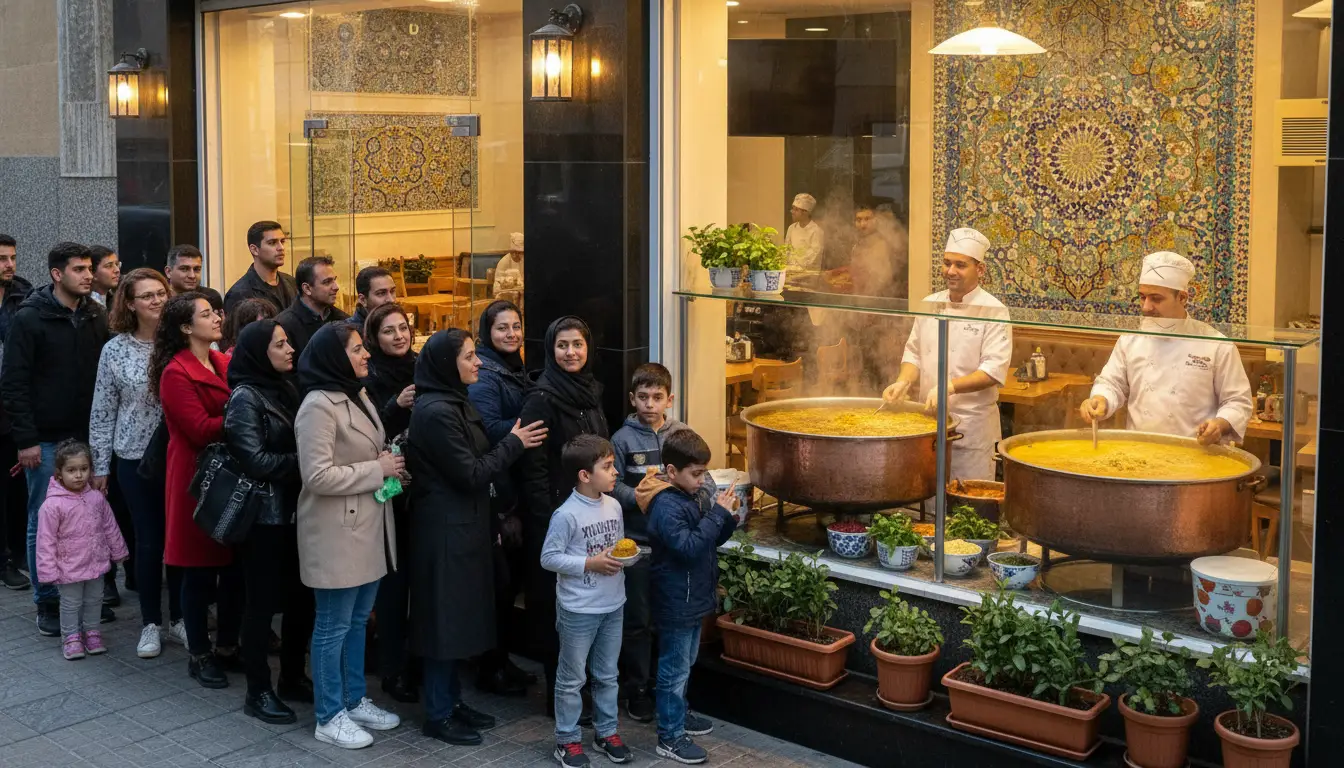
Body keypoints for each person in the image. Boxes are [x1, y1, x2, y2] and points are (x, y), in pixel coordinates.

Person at [406, 329, 545, 746]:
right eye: (469, 357)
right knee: (443, 622)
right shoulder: (435, 412)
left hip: (463, 529)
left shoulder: (451, 402)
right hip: (444, 533)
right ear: (449, 364)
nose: (478, 362)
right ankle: (437, 711)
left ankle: (450, 702)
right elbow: (470, 472)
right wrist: (515, 442)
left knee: (457, 619)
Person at [295, 323, 404, 750]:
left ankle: (354, 698)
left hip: (367, 525)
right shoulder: (317, 406)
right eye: (357, 349)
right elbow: (316, 475)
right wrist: (377, 469)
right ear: (335, 357)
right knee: (332, 625)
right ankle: (328, 714)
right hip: (337, 531)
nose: (366, 355)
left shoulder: (356, 394)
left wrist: (385, 461)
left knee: (358, 620)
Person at [0, 241, 111, 636]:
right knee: (43, 519)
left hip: (87, 436)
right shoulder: (29, 318)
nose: (87, 275)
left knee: (87, 517)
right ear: (56, 274)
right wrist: (26, 440)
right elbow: (13, 382)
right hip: (44, 440)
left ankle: (83, 596)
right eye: (79, 269)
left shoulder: (96, 315)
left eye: (88, 269)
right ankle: (46, 600)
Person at [90, 269, 184, 657]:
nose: (157, 301)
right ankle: (150, 622)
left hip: (180, 454)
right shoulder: (115, 349)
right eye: (147, 295)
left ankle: (180, 618)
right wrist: (99, 466)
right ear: (129, 303)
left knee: (180, 539)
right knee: (148, 541)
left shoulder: (182, 342)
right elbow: (102, 411)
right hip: (132, 456)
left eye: (161, 293)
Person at [152, 292, 244, 687]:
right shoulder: (175, 372)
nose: (217, 318)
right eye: (206, 315)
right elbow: (197, 428)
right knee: (198, 571)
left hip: (229, 474)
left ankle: (227, 646)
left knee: (232, 568)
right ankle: (199, 653)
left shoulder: (222, 360)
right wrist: (242, 417)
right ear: (187, 327)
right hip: (195, 479)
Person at [225, 320, 314, 724]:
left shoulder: (287, 387)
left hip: (296, 510)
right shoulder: (245, 397)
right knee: (261, 605)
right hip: (265, 516)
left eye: (288, 342)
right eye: (280, 344)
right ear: (260, 352)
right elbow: (254, 460)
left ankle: (292, 677)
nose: (290, 349)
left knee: (301, 598)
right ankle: (257, 690)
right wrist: (309, 465)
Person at [518, 316, 610, 711]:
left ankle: (584, 690)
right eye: (562, 345)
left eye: (577, 344)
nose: (570, 352)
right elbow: (533, 468)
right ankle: (563, 698)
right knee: (559, 614)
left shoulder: (590, 391)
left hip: (591, 515)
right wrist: (550, 520)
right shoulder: (542, 397)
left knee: (586, 609)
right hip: (559, 519)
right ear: (550, 350)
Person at [1080, 251, 1254, 444]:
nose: (1146, 307)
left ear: (1182, 298)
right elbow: (1112, 384)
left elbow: (1238, 402)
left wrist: (1220, 424)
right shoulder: (1130, 340)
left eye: (1156, 298)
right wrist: (1101, 399)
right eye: (1142, 297)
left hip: (1195, 457)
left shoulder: (1216, 345)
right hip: (1139, 452)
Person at [882, 228, 1011, 481]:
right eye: (947, 263)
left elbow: (993, 370)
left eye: (960, 265)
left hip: (971, 430)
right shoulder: (930, 303)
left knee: (967, 510)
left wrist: (949, 387)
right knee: (928, 506)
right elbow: (914, 353)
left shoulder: (995, 311)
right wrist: (903, 381)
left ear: (980, 270)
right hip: (928, 427)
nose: (950, 271)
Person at [644, 429, 741, 765]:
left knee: (685, 663)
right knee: (673, 669)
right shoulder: (666, 506)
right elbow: (687, 548)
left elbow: (710, 540)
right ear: (672, 472)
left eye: (704, 473)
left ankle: (680, 716)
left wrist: (727, 517)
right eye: (697, 474)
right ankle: (669, 736)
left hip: (693, 596)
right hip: (676, 600)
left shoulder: (694, 497)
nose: (703, 480)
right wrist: (716, 515)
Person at [542, 434, 632, 767]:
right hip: (578, 609)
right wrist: (589, 564)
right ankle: (566, 740)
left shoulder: (614, 505)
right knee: (572, 678)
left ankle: (606, 732)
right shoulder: (566, 515)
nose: (615, 473)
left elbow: (617, 545)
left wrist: (626, 556)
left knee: (608, 674)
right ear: (584, 475)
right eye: (607, 467)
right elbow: (549, 558)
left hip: (613, 604)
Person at [609, 362, 688, 723]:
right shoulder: (622, 439)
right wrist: (638, 497)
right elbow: (612, 483)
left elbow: (695, 477)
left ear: (669, 399)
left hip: (671, 544)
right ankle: (636, 688)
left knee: (666, 616)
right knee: (637, 619)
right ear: (632, 398)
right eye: (643, 397)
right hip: (636, 543)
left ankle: (663, 685)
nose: (650, 404)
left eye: (657, 397)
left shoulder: (680, 435)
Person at [466, 300, 536, 695]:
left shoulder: (515, 367)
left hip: (515, 487)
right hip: (498, 494)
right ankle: (489, 667)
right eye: (502, 328)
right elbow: (487, 429)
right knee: (498, 586)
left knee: (509, 587)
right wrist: (526, 428)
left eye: (516, 326)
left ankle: (500, 661)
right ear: (487, 333)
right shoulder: (486, 374)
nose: (511, 334)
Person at [360, 302, 418, 702]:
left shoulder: (422, 365)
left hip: (422, 485)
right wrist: (396, 405)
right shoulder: (369, 375)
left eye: (403, 328)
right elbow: (368, 430)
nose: (399, 336)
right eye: (389, 331)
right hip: (385, 488)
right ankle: (391, 665)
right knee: (391, 582)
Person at [34, 440, 128, 660]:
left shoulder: (96, 498)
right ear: (59, 473)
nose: (78, 475)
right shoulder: (52, 506)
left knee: (95, 600)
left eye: (84, 469)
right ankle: (71, 637)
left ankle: (92, 632)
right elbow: (45, 541)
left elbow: (109, 526)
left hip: (95, 563)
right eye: (72, 470)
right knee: (70, 603)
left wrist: (118, 551)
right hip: (68, 567)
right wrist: (47, 571)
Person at [0, 233, 33, 592]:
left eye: (11, 257)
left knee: (15, 486)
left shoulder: (23, 294)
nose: (9, 265)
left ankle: (19, 553)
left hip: (11, 404)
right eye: (2, 259)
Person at [277, 255, 349, 359]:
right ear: (307, 288)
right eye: (327, 282)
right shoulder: (284, 326)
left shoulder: (344, 320)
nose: (336, 287)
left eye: (334, 280)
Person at [225, 221, 297, 316]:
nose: (281, 247)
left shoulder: (291, 282)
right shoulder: (240, 294)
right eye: (272, 243)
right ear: (254, 249)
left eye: (282, 241)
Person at [849, 204, 897, 298]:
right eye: (859, 220)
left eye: (867, 219)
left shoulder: (884, 246)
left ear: (876, 221)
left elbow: (886, 281)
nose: (862, 224)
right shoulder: (856, 247)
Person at [348, 266, 399, 332]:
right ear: (363, 300)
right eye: (381, 293)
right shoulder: (350, 334)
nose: (391, 300)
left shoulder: (398, 323)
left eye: (392, 291)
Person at [784, 193, 824, 273]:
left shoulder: (816, 231)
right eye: (792, 209)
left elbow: (813, 258)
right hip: (790, 273)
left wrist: (796, 267)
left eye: (796, 210)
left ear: (806, 212)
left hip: (809, 276)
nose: (792, 212)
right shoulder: (791, 228)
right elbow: (786, 250)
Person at [493, 233, 524, 307]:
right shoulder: (504, 262)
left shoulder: (526, 260)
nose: (515, 255)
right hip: (507, 299)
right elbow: (496, 288)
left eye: (518, 252)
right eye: (512, 252)